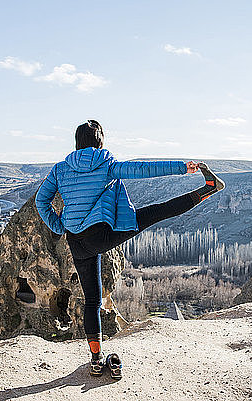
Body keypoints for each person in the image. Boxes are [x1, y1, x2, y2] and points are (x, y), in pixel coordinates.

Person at [35, 119, 225, 379]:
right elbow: (143, 169)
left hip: (75, 240)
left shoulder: (60, 170)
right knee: (156, 212)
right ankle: (209, 188)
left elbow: (41, 200)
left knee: (92, 299)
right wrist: (183, 167)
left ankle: (95, 359)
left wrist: (58, 226)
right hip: (102, 235)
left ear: (77, 142)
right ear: (100, 141)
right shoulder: (107, 164)